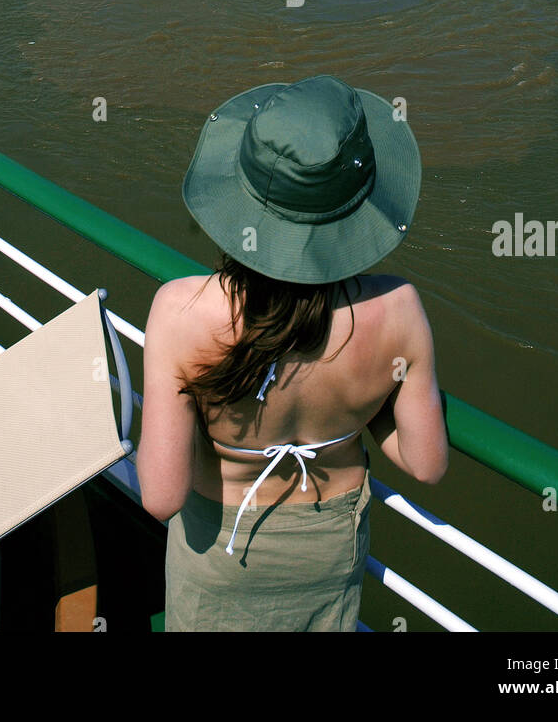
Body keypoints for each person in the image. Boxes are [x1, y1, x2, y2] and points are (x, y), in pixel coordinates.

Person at [137, 74, 448, 632]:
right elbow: (426, 463)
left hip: (221, 550)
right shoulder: (398, 308)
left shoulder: (180, 313)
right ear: (358, 208)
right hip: (328, 552)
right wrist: (360, 402)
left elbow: (161, 496)